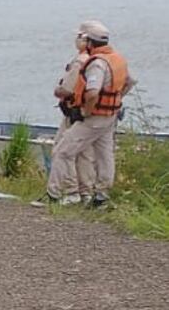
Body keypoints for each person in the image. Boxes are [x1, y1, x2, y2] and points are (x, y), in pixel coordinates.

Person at [46, 21, 134, 207]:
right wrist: (116, 100)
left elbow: (92, 92)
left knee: (63, 152)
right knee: (104, 155)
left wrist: (87, 109)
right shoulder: (117, 59)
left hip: (94, 118)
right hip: (110, 116)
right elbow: (129, 82)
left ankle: (54, 194)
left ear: (89, 42)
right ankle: (101, 195)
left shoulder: (97, 64)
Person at [52, 24, 96, 203]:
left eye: (79, 36)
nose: (76, 40)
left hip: (74, 113)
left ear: (86, 40)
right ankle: (87, 192)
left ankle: (70, 191)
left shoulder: (80, 61)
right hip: (92, 115)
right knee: (85, 154)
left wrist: (58, 90)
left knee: (62, 150)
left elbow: (67, 89)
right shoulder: (101, 60)